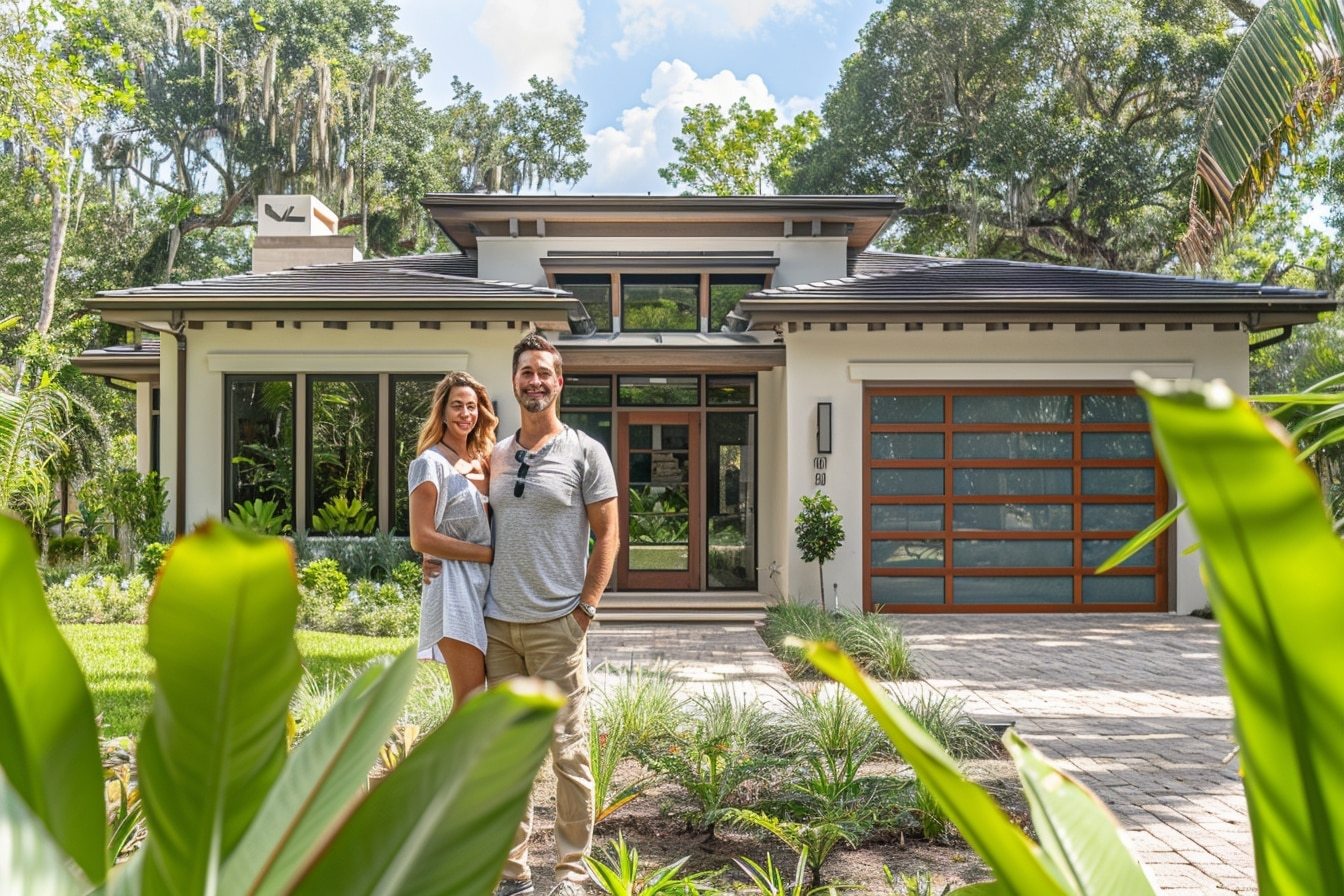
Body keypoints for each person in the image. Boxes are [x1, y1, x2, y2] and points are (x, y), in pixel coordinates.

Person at [489, 333, 618, 896]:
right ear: (514, 381)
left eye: (544, 372)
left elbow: (608, 536)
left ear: (559, 381)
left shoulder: (586, 451)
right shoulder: (493, 453)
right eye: (525, 372)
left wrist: (584, 611)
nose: (534, 381)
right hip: (497, 628)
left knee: (568, 754)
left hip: (558, 627)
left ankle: (570, 873)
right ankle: (512, 873)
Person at [407, 371, 497, 711]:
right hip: (452, 591)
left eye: (471, 407)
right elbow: (421, 536)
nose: (465, 414)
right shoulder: (428, 464)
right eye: (457, 406)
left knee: (486, 701)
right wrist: (488, 555)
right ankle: (434, 766)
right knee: (469, 702)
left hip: (489, 590)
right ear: (442, 412)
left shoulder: (486, 460)